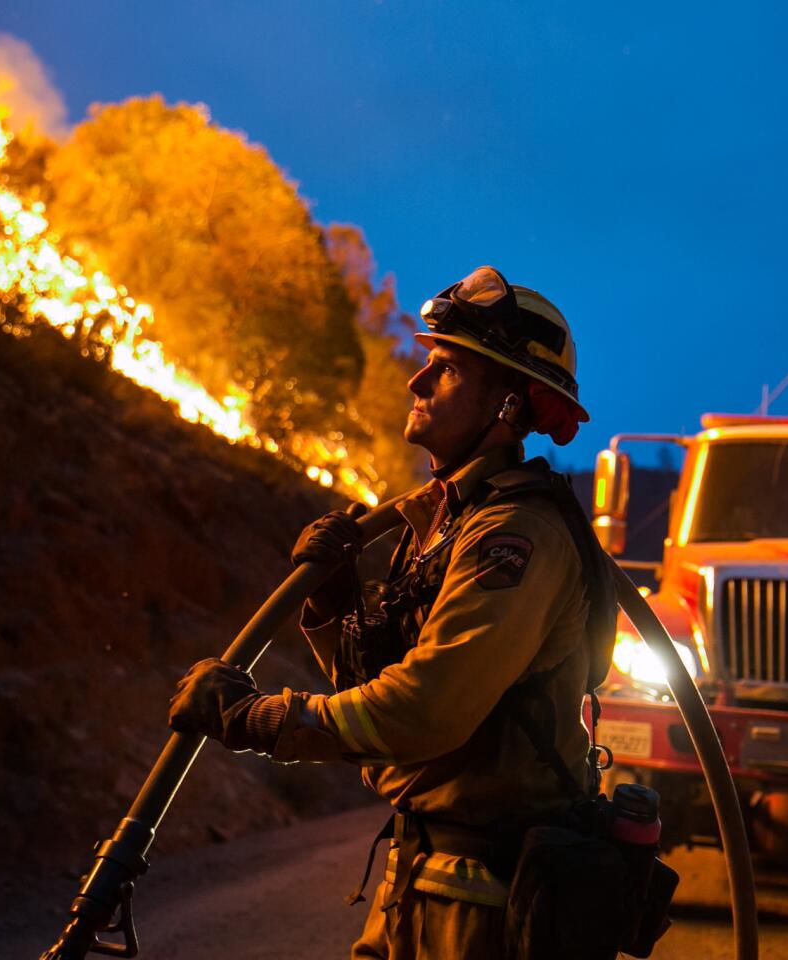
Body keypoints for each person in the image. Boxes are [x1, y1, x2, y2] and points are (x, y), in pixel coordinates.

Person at [169, 266, 614, 959]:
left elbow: (424, 709)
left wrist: (256, 718)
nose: (417, 380)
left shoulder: (517, 537)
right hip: (420, 878)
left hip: (489, 906)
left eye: (448, 368)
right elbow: (376, 693)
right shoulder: (442, 525)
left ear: (507, 405)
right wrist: (332, 602)